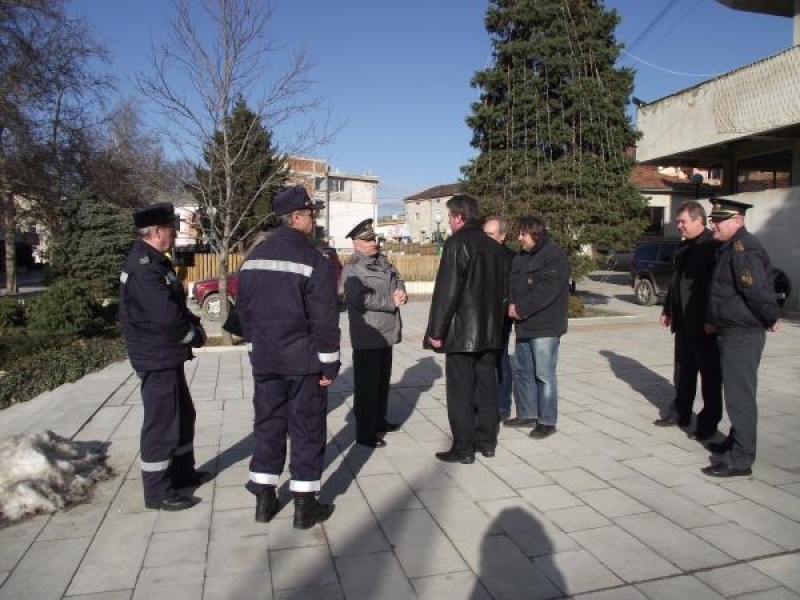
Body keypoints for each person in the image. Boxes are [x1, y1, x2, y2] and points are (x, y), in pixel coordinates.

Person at [237, 185, 341, 528]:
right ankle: (304, 505)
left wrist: (254, 345)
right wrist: (330, 363)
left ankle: (264, 500)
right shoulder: (315, 259)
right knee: (306, 428)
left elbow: (244, 312)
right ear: (296, 217)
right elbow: (325, 319)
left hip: (265, 360)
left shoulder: (253, 257)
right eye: (311, 214)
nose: (314, 220)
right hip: (302, 362)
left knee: (267, 425)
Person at [118, 202, 209, 512]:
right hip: (156, 355)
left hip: (166, 354)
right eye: (172, 228)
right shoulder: (144, 267)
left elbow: (174, 306)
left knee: (183, 415)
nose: (175, 233)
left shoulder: (156, 261)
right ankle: (157, 491)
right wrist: (192, 335)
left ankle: (183, 473)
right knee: (162, 422)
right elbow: (164, 316)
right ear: (156, 232)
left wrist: (193, 324)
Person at [425, 194, 508, 464]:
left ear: (459, 217)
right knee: (487, 387)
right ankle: (487, 442)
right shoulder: (495, 247)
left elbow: (446, 292)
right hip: (490, 332)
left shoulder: (457, 243)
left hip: (462, 333)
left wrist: (436, 332)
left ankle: (463, 447)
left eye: (450, 216)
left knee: (461, 391)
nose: (448, 221)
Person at [701, 198, 779, 478]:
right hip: (730, 331)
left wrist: (770, 317)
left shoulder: (742, 249)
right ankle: (736, 444)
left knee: (739, 398)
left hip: (742, 335)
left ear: (737, 220)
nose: (714, 226)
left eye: (719, 221)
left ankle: (741, 459)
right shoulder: (729, 248)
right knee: (736, 395)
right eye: (713, 221)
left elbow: (756, 291)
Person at [655, 201, 722, 440]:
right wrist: (668, 309)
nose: (679, 226)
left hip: (704, 324)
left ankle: (708, 423)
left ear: (698, 221)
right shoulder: (684, 248)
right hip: (683, 322)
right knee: (683, 372)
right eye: (678, 221)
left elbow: (716, 288)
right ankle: (680, 412)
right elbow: (676, 283)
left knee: (709, 377)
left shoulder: (712, 246)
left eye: (683, 221)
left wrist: (713, 318)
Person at [342, 218, 407, 448]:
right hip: (368, 335)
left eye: (375, 238)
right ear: (356, 244)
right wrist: (391, 301)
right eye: (369, 240)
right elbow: (360, 299)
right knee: (367, 388)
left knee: (381, 382)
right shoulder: (352, 268)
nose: (374, 243)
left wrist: (401, 292)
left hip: (386, 332)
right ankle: (364, 433)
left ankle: (379, 420)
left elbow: (397, 278)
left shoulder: (382, 261)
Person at [507, 214, 569, 439]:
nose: (519, 238)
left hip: (545, 327)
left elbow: (547, 291)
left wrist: (520, 308)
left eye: (523, 234)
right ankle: (527, 413)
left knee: (544, 375)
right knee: (523, 372)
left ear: (535, 233)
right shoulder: (521, 257)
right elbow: (513, 285)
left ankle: (547, 421)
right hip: (524, 326)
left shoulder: (554, 256)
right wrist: (512, 305)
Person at [483, 215, 515, 422]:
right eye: (484, 233)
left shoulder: (511, 258)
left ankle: (503, 406)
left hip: (500, 317)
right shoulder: (479, 254)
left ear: (502, 236)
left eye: (490, 234)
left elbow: (513, 289)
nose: (485, 238)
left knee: (501, 358)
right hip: (479, 317)